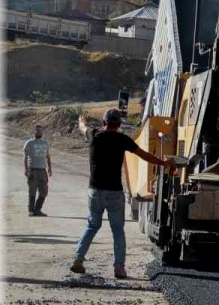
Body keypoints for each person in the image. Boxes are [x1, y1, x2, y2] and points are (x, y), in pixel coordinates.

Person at [70, 109, 173, 279]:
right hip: (114, 193)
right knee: (118, 231)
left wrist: (82, 120)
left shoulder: (94, 135)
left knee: (92, 226)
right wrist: (163, 162)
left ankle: (78, 260)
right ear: (118, 124)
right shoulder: (122, 140)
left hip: (95, 191)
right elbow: (144, 155)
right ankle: (119, 268)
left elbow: (83, 127)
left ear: (104, 123)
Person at [23, 124, 52, 216]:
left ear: (42, 132)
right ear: (34, 132)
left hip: (43, 171)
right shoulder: (29, 143)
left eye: (40, 130)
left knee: (44, 191)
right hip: (33, 170)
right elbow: (25, 157)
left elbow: (48, 156)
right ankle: (31, 211)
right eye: (37, 130)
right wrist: (26, 169)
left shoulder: (45, 143)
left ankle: (37, 209)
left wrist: (50, 168)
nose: (39, 132)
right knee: (32, 191)